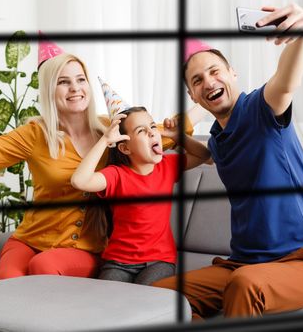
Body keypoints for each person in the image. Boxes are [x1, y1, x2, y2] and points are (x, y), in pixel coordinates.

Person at [0, 36, 196, 280]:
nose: (75, 88)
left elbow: (157, 135)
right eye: (63, 82)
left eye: (81, 79)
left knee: (44, 267)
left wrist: (204, 105)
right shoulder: (34, 134)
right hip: (30, 239)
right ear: (49, 90)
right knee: (8, 282)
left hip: (85, 246)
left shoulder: (110, 129)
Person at [152, 4, 303, 319]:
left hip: (302, 265)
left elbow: (286, 83)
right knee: (160, 297)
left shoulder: (261, 109)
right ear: (193, 96)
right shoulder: (218, 137)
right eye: (197, 81)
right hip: (244, 263)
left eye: (214, 71)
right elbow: (209, 156)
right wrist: (180, 138)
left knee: (245, 283)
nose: (207, 82)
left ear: (232, 73)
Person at [70, 100, 211, 286]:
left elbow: (205, 156)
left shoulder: (167, 166)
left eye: (152, 126)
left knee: (144, 298)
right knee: (105, 302)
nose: (152, 132)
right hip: (117, 263)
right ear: (125, 147)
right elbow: (79, 180)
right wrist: (105, 140)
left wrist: (177, 136)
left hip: (159, 261)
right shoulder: (116, 175)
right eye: (141, 131)